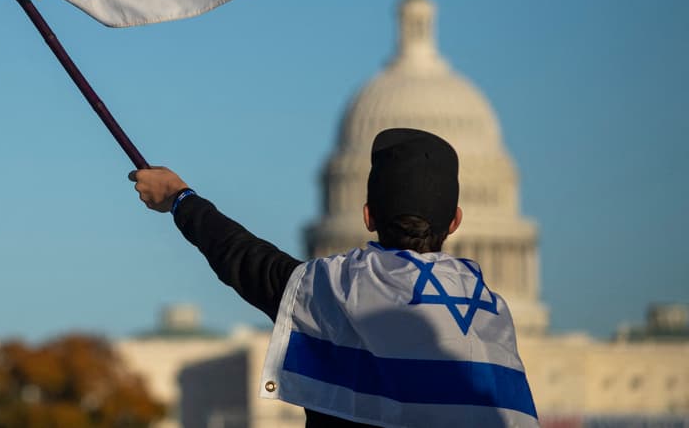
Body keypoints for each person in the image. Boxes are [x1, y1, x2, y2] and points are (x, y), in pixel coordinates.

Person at [130, 127, 537, 428]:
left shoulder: (333, 289)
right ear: (455, 222)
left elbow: (243, 258)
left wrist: (180, 198)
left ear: (367, 215)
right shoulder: (491, 318)